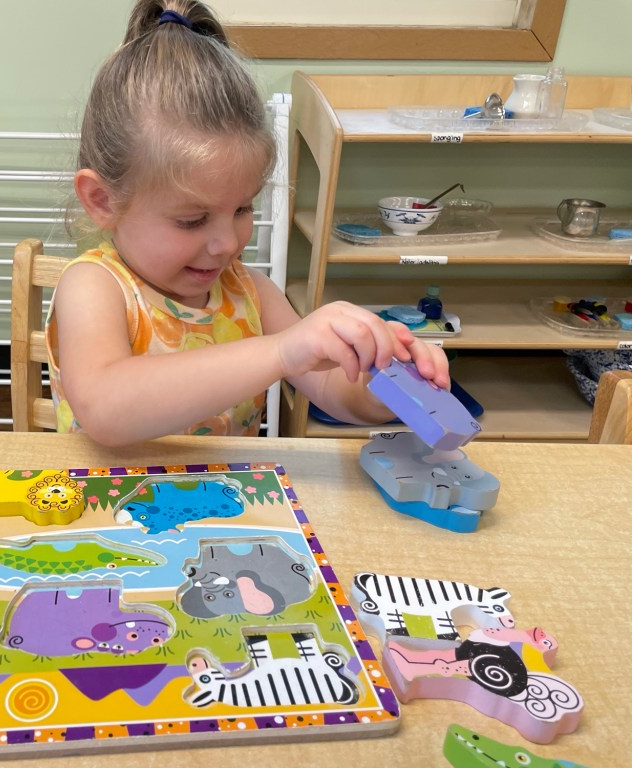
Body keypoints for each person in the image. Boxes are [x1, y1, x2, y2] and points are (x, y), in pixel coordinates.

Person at [46, 0, 450, 446]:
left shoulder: (250, 293)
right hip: (107, 489)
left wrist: (389, 382)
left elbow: (332, 390)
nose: (226, 243)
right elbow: (105, 409)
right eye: (192, 220)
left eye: (242, 209)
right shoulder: (94, 286)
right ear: (102, 200)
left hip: (228, 488)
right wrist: (280, 351)